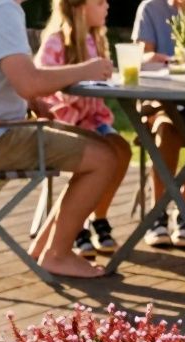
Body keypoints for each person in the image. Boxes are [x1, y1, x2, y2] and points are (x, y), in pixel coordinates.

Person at [0, 0, 117, 279]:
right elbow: (29, 81)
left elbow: (18, 78)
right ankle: (57, 254)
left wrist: (34, 102)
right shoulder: (0, 9)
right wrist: (86, 69)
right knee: (104, 159)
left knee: (107, 149)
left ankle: (47, 247)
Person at [35, 0, 134, 258]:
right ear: (79, 7)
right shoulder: (55, 42)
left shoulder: (95, 40)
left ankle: (98, 217)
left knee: (122, 150)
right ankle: (74, 225)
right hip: (63, 120)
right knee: (103, 154)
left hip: (93, 119)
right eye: (100, 2)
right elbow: (43, 84)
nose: (108, 6)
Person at [131, 0, 185, 248]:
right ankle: (157, 215)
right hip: (160, 102)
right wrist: (162, 58)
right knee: (167, 129)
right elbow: (141, 56)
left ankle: (184, 214)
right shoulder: (151, 8)